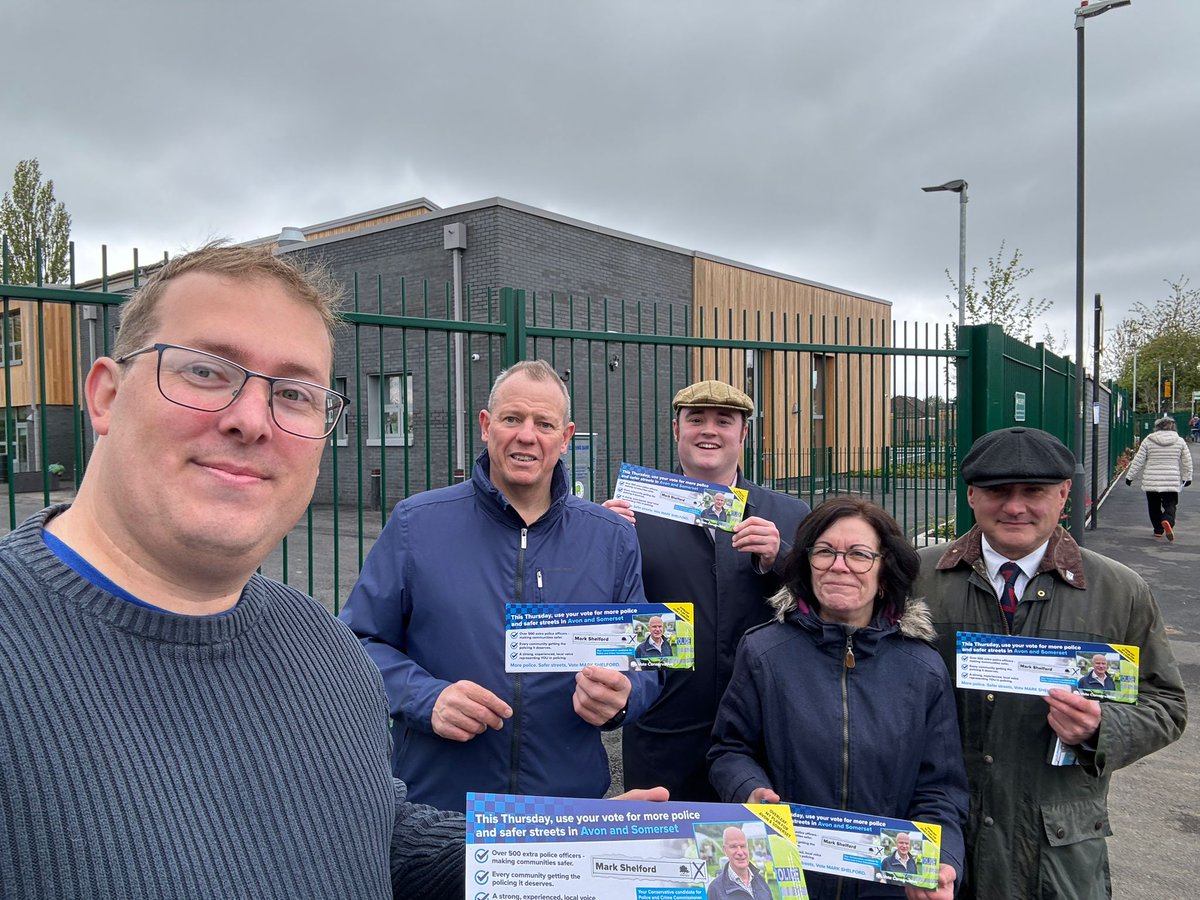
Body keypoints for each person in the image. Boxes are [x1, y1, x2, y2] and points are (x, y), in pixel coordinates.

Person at [0, 244, 467, 899]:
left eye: (296, 394)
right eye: (205, 371)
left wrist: (583, 851)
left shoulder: (324, 646)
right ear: (105, 396)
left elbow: (363, 837)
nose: (252, 420)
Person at [341, 359, 661, 812]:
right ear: (487, 426)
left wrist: (626, 697)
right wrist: (425, 697)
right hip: (440, 807)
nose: (526, 435)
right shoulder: (416, 524)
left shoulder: (611, 537)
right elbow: (354, 642)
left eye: (544, 423)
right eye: (512, 419)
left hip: (565, 808)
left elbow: (649, 657)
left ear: (565, 438)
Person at [912, 426, 1188, 900]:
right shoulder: (916, 579)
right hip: (943, 842)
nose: (1015, 507)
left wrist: (1103, 726)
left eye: (1034, 492)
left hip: (1055, 852)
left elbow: (1166, 704)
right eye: (998, 491)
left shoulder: (1118, 591)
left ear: (1064, 495)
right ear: (972, 495)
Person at [708, 497, 966, 900]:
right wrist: (749, 789)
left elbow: (941, 789)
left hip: (887, 888)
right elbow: (729, 749)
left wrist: (943, 857)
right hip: (789, 881)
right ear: (807, 565)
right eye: (825, 551)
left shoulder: (923, 668)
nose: (839, 565)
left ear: (884, 573)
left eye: (860, 555)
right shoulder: (764, 652)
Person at [605, 380, 810, 801]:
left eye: (724, 421)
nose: (709, 431)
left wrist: (782, 558)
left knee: (750, 860)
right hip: (664, 733)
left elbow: (823, 609)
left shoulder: (789, 514)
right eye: (695, 420)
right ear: (677, 430)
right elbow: (601, 608)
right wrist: (596, 539)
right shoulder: (632, 514)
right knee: (665, 859)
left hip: (761, 738)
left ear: (744, 434)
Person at [1125, 416, 1192, 541]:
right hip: (1171, 479)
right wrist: (1187, 477)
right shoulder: (1180, 441)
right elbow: (1187, 461)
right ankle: (1167, 520)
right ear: (1173, 427)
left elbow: (1138, 460)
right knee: (1171, 504)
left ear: (1157, 427)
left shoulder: (1148, 440)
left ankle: (1158, 529)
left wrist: (1130, 476)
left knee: (1153, 506)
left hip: (1152, 479)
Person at [706, 826, 772, 900]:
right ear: (725, 850)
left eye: (743, 846)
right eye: (733, 847)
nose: (740, 852)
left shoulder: (760, 880)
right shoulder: (715, 889)